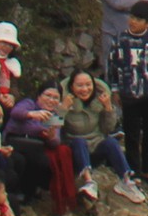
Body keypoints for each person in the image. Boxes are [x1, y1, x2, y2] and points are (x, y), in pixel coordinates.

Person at [103, 0, 148, 184]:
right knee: (131, 134)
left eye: (139, 19)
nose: (133, 21)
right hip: (128, 95)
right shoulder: (120, 40)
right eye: (132, 17)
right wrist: (115, 90)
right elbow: (112, 68)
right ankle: (134, 171)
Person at [57, 70, 142, 203]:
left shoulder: (98, 102)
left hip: (95, 147)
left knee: (111, 142)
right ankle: (89, 182)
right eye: (80, 85)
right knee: (79, 141)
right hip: (75, 149)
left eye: (88, 85)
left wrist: (108, 108)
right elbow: (53, 129)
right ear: (71, 87)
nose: (85, 89)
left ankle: (126, 181)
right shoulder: (65, 103)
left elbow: (107, 129)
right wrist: (63, 108)